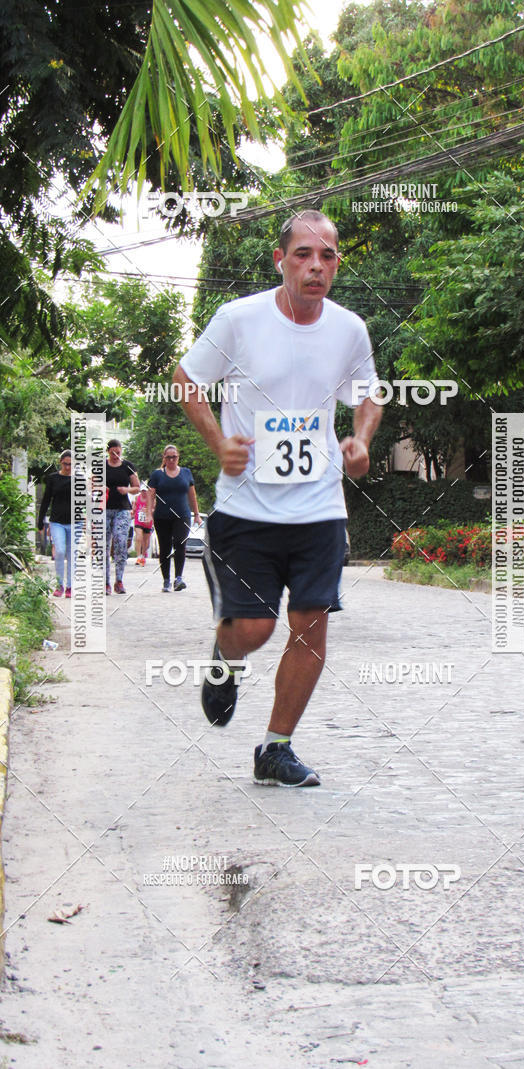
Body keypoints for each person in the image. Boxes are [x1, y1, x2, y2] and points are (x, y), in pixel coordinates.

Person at [173, 209, 381, 787]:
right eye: (303, 255)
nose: (316, 267)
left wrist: (360, 440)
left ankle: (276, 748)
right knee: (254, 629)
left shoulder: (349, 329)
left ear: (337, 262)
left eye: (328, 256)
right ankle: (226, 654)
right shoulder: (239, 319)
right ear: (280, 261)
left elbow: (368, 395)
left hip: (318, 507)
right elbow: (186, 379)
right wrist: (218, 444)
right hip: (245, 510)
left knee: (311, 625)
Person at [147, 445, 201, 592]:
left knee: (180, 543)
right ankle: (166, 580)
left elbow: (192, 495)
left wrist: (196, 514)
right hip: (162, 516)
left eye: (174, 457)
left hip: (182, 515)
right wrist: (148, 512)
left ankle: (178, 578)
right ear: (164, 458)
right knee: (164, 547)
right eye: (168, 457)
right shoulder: (157, 475)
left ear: (178, 457)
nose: (171, 460)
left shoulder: (186, 473)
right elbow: (150, 494)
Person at [105, 439, 140, 595]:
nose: (115, 455)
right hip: (104, 508)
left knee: (120, 542)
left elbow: (137, 487)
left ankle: (119, 580)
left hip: (122, 509)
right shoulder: (101, 466)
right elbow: (91, 483)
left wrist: (127, 490)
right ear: (108, 451)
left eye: (118, 452)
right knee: (103, 546)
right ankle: (105, 582)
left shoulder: (127, 466)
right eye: (112, 452)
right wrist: (99, 487)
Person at [37, 450, 73, 598]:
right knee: (59, 551)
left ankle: (70, 586)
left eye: (71, 464)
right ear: (60, 462)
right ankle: (59, 584)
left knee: (72, 554)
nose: (68, 467)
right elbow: (46, 500)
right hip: (57, 521)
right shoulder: (52, 478)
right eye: (65, 464)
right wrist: (40, 521)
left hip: (74, 522)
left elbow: (85, 500)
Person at [133, 483, 153, 566]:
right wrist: (133, 509)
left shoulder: (151, 499)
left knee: (146, 542)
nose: (143, 493)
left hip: (148, 522)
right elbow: (134, 508)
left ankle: (143, 556)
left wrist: (148, 511)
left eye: (145, 491)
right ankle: (138, 557)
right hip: (138, 520)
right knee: (138, 537)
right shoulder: (137, 498)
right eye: (142, 491)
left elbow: (154, 509)